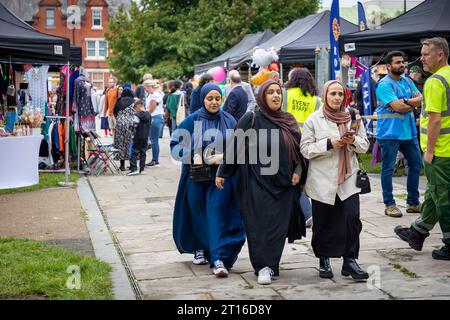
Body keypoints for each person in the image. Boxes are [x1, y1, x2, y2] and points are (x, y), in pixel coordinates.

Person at [216, 80, 307, 285]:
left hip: (284, 184)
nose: (276, 96)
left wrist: (299, 171)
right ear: (262, 96)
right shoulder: (252, 118)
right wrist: (223, 171)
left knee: (277, 228)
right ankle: (261, 266)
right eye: (271, 92)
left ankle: (272, 264)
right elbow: (234, 146)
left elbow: (300, 150)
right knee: (258, 226)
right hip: (255, 182)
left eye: (278, 92)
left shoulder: (288, 120)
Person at [171, 83, 245, 278]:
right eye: (209, 98)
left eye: (217, 99)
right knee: (197, 213)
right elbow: (174, 146)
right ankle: (200, 247)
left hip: (221, 179)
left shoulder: (230, 121)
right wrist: (191, 155)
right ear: (203, 99)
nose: (214, 102)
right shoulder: (191, 121)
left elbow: (239, 148)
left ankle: (218, 257)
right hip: (195, 179)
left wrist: (223, 158)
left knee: (217, 214)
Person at [300, 80, 370, 280]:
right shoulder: (314, 119)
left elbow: (364, 145)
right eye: (333, 94)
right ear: (325, 96)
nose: (337, 98)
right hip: (323, 179)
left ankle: (350, 260)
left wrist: (352, 140)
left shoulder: (353, 117)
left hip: (348, 178)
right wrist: (331, 143)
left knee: (351, 218)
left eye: (340, 94)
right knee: (323, 222)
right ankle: (324, 259)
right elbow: (305, 149)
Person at [394, 37, 450, 261]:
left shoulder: (435, 81)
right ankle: (417, 232)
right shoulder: (447, 77)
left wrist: (429, 152)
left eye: (426, 54)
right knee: (434, 194)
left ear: (440, 55)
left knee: (443, 199)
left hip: (441, 152)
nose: (421, 59)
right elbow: (434, 105)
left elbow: (435, 119)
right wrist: (412, 102)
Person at [375, 51, 423, 218]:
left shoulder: (408, 81)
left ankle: (413, 202)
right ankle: (389, 204)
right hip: (389, 133)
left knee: (416, 164)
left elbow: (421, 99)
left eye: (403, 62)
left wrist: (404, 102)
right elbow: (399, 108)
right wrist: (410, 103)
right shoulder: (384, 85)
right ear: (388, 66)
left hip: (408, 132)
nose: (402, 65)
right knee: (388, 169)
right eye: (397, 63)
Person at [283, 67, 322, 227]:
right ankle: (311, 212)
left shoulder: (286, 95)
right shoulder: (317, 100)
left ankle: (307, 213)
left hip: (288, 140)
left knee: (294, 179)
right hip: (309, 142)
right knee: (305, 178)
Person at [113, 87, 135, 171]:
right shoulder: (134, 101)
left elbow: (114, 112)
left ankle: (122, 166)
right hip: (131, 124)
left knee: (121, 144)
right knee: (130, 143)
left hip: (120, 124)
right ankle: (132, 165)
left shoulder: (119, 101)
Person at [144, 80, 164, 168]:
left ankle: (155, 160)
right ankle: (154, 160)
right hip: (154, 117)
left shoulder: (155, 95)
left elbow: (151, 109)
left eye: (145, 88)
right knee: (153, 140)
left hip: (155, 118)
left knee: (154, 140)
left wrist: (143, 112)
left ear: (149, 86)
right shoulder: (152, 95)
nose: (145, 90)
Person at [128, 100, 151, 176]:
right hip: (145, 136)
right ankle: (142, 169)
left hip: (137, 136)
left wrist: (130, 129)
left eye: (135, 108)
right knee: (143, 152)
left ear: (138, 106)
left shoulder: (137, 115)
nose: (135, 110)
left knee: (134, 152)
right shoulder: (148, 115)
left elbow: (134, 126)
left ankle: (134, 169)